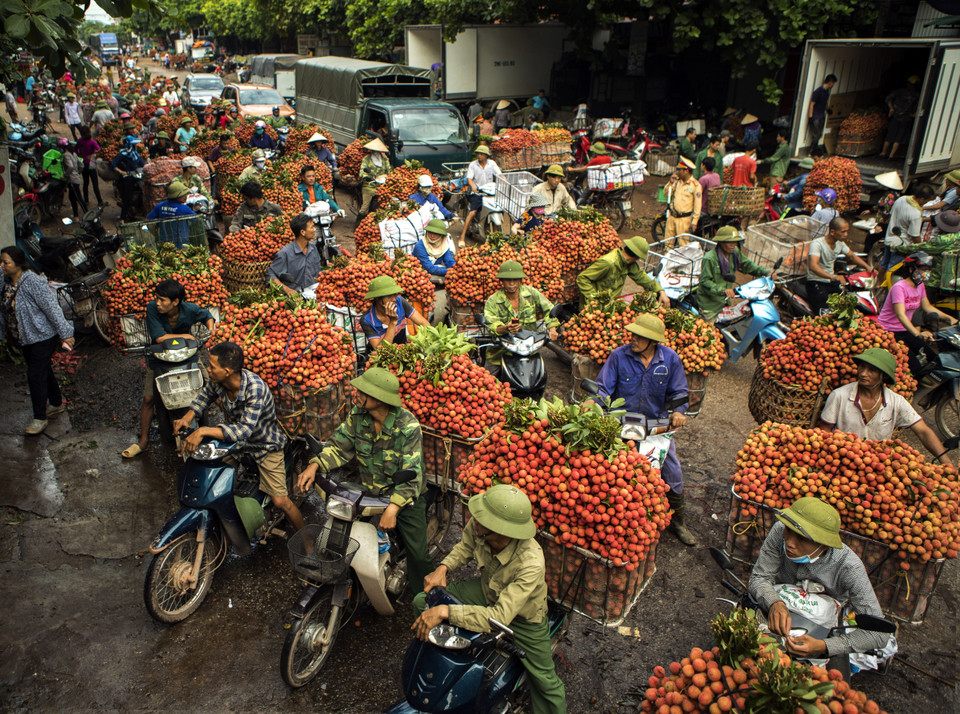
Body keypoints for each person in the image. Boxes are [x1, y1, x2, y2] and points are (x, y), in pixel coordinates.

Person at [413, 484, 567, 714]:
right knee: (422, 602)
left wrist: (447, 612)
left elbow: (499, 617)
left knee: (545, 681)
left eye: (482, 519)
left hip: (521, 618)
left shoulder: (531, 562)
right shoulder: (479, 527)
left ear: (501, 531)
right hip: (487, 593)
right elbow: (464, 547)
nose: (474, 519)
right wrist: (443, 567)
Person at [297, 367, 433, 592]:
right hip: (368, 491)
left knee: (418, 554)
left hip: (403, 496)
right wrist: (315, 465)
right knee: (344, 536)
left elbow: (412, 474)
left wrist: (393, 508)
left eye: (362, 392)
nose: (356, 394)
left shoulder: (408, 426)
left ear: (379, 399)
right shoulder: (358, 415)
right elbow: (339, 446)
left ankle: (427, 598)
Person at [175, 341, 306, 533]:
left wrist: (202, 430)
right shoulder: (217, 382)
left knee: (281, 501)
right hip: (237, 445)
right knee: (210, 471)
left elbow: (244, 430)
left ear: (227, 371)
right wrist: (188, 417)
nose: (208, 369)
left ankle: (307, 541)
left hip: (265, 446)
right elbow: (203, 398)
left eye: (212, 366)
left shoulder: (255, 389)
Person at [749, 497, 891, 659]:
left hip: (821, 626)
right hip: (776, 608)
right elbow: (759, 577)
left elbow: (879, 635)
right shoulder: (780, 531)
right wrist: (774, 602)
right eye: (789, 532)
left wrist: (824, 646)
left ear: (824, 544)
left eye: (802, 538)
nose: (790, 543)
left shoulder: (849, 567)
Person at [596, 314, 694, 545]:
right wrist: (595, 402)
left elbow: (679, 392)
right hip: (621, 424)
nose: (633, 339)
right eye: (633, 335)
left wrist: (679, 413)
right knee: (613, 471)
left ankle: (679, 521)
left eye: (640, 337)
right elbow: (602, 388)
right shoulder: (618, 356)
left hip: (656, 426)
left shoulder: (669, 360)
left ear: (653, 341)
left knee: (672, 472)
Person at [122, 279, 216, 459]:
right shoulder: (152, 309)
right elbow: (159, 338)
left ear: (175, 302)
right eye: (157, 298)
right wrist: (187, 336)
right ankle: (144, 441)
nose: (158, 303)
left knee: (211, 387)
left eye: (162, 300)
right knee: (149, 398)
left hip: (188, 357)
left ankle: (220, 431)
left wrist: (211, 330)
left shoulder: (188, 309)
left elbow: (206, 315)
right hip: (160, 359)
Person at [821, 347, 954, 466]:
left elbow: (923, 431)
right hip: (842, 460)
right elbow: (824, 432)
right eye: (862, 367)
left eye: (871, 370)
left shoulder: (896, 401)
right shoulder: (839, 395)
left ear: (883, 376)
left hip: (878, 464)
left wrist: (946, 461)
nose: (863, 373)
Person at [0, 246, 74, 436]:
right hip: (24, 338)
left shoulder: (33, 282)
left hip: (43, 336)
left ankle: (39, 418)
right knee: (42, 370)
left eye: (6, 262)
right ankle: (56, 403)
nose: (2, 266)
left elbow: (52, 308)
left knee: (35, 374)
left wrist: (66, 332)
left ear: (18, 264)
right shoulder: (6, 282)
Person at [876, 252, 957, 373]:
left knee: (933, 358)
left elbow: (927, 307)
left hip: (905, 330)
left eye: (928, 270)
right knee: (914, 366)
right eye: (924, 269)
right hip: (889, 330)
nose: (927, 273)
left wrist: (950, 318)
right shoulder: (899, 287)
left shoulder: (920, 286)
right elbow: (901, 315)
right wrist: (917, 333)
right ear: (911, 269)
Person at [482, 261, 559, 378]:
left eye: (515, 279)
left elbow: (549, 309)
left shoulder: (531, 293)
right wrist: (505, 328)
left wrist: (552, 328)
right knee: (487, 383)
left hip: (528, 349)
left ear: (520, 280)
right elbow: (492, 326)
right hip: (500, 352)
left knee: (539, 377)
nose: (512, 283)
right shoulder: (493, 301)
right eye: (508, 280)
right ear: (501, 281)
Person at [696, 226, 770, 322]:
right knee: (709, 332)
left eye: (734, 242)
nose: (733, 245)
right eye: (729, 242)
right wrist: (723, 290)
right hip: (710, 303)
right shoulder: (710, 258)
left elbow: (747, 265)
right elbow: (704, 280)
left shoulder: (735, 253)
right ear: (721, 242)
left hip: (725, 300)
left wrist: (766, 272)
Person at [576, 236, 670, 308]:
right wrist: (595, 300)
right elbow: (582, 278)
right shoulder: (608, 263)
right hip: (593, 307)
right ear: (636, 257)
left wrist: (660, 291)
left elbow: (641, 276)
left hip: (611, 305)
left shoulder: (629, 264)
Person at [805, 217, 870, 313]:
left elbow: (852, 256)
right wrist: (833, 277)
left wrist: (868, 267)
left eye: (847, 232)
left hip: (831, 282)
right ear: (832, 232)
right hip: (816, 282)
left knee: (847, 307)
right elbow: (813, 266)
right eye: (843, 232)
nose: (846, 235)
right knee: (825, 312)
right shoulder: (817, 244)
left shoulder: (840, 244)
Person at [360, 276, 431, 350]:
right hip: (381, 357)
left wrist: (420, 341)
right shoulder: (367, 320)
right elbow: (381, 351)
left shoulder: (400, 302)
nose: (394, 299)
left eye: (395, 294)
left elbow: (424, 324)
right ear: (377, 298)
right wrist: (393, 322)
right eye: (389, 296)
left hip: (402, 351)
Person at [882, 185, 935, 271]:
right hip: (901, 245)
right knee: (894, 269)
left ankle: (878, 283)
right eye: (926, 201)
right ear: (921, 199)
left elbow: (891, 214)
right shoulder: (916, 213)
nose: (925, 203)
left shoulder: (901, 199)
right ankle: (889, 284)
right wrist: (921, 248)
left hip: (889, 238)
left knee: (884, 264)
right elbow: (914, 235)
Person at [266, 213, 322, 295]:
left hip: (313, 294)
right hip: (295, 298)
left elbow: (318, 272)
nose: (314, 230)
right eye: (311, 227)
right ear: (302, 232)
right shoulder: (285, 253)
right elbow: (271, 275)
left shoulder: (313, 249)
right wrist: (287, 290)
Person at [460, 145, 502, 247]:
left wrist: (506, 181)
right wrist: (473, 186)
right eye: (478, 153)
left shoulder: (492, 164)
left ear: (486, 155)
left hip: (490, 192)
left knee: (500, 208)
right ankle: (462, 237)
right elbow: (469, 178)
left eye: (482, 154)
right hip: (478, 192)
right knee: (473, 212)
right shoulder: (473, 165)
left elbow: (500, 175)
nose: (479, 155)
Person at [146, 181, 198, 248]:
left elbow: (148, 222)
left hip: (164, 243)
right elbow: (196, 219)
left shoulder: (160, 206)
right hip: (181, 244)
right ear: (177, 195)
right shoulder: (184, 208)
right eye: (184, 194)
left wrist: (156, 235)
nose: (186, 196)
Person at [881, 76, 920, 160]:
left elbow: (888, 99)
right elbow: (919, 106)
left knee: (890, 135)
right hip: (905, 118)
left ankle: (883, 153)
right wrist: (914, 114)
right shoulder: (916, 95)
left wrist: (891, 108)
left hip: (896, 116)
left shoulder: (900, 92)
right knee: (899, 137)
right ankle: (891, 156)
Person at [111, 135, 146, 223]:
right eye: (134, 145)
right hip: (128, 178)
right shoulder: (123, 154)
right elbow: (113, 164)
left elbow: (142, 163)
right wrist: (121, 171)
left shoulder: (135, 154)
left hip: (137, 176)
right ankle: (122, 218)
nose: (135, 147)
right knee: (127, 198)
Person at [665, 158, 702, 241]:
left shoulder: (695, 185)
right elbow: (666, 194)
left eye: (679, 169)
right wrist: (670, 182)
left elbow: (697, 205)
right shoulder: (677, 182)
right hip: (672, 217)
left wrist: (694, 222)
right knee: (667, 243)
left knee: (683, 244)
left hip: (684, 219)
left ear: (686, 171)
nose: (677, 172)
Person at [358, 137, 391, 222]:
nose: (375, 152)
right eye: (374, 150)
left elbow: (389, 171)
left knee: (381, 207)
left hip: (381, 186)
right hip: (368, 186)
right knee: (364, 208)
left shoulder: (384, 160)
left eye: (377, 151)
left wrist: (385, 177)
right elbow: (362, 171)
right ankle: (358, 226)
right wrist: (366, 176)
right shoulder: (367, 159)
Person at [76, 125, 104, 207]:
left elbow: (75, 149)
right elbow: (99, 149)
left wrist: (80, 155)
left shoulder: (80, 141)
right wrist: (93, 155)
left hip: (83, 164)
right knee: (95, 184)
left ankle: (86, 200)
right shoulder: (92, 142)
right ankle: (100, 201)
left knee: (85, 183)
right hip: (91, 164)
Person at [808, 74, 837, 146]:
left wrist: (828, 109)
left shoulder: (826, 92)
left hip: (821, 116)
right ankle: (812, 151)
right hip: (816, 116)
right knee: (816, 134)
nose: (833, 85)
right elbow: (812, 104)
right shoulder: (818, 91)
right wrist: (810, 117)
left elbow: (824, 103)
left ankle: (814, 150)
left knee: (819, 134)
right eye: (833, 83)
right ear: (830, 82)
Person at [61, 140, 87, 218]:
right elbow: (81, 165)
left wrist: (65, 175)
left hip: (72, 180)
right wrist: (78, 172)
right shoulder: (74, 154)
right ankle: (76, 216)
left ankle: (88, 215)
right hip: (76, 179)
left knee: (78, 198)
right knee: (72, 198)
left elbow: (70, 167)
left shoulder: (66, 155)